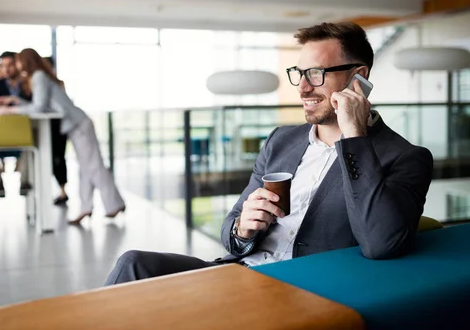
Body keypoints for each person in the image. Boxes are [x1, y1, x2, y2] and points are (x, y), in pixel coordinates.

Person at [104, 22, 434, 286]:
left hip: (302, 287)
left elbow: (381, 243)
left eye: (316, 74)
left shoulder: (405, 157)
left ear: (358, 79)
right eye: (300, 74)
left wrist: (354, 136)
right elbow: (231, 228)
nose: (303, 88)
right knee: (133, 264)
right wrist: (243, 230)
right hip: (239, 274)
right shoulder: (282, 140)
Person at [0, 48, 125, 223]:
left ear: (25, 61)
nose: (16, 65)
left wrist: (9, 110)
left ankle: (114, 204)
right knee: (86, 168)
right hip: (76, 125)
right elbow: (43, 105)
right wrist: (16, 101)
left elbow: (39, 107)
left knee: (94, 166)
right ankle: (87, 208)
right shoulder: (40, 76)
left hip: (79, 124)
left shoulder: (38, 76)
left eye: (17, 61)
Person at [0, 52, 33, 196]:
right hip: (0, 133)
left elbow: (35, 107)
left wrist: (9, 106)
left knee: (34, 139)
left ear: (17, 65)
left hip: (23, 132)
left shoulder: (27, 84)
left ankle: (25, 181)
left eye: (10, 65)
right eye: (3, 66)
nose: (6, 69)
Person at [44, 56, 70, 206]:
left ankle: (62, 190)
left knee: (59, 157)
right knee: (52, 157)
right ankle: (56, 190)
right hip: (49, 124)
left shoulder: (57, 84)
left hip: (59, 125)